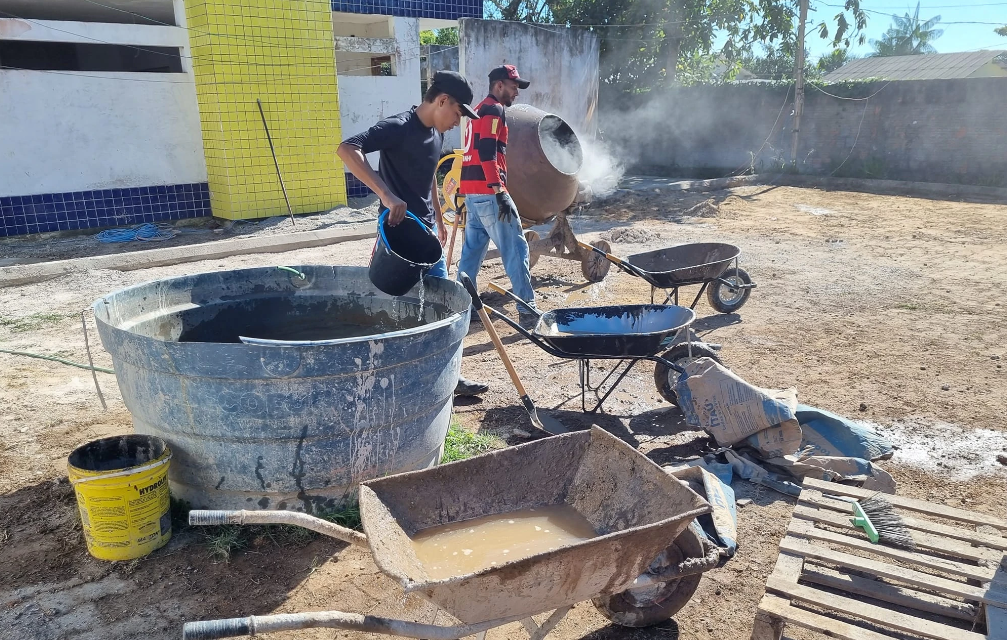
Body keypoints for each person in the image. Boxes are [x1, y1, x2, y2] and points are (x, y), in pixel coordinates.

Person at [337, 70, 490, 397]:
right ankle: (384, 380)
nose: (457, 121)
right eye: (457, 113)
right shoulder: (399, 127)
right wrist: (386, 195)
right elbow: (348, 149)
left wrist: (441, 219)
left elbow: (429, 176)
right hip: (397, 236)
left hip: (428, 232)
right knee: (393, 305)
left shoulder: (436, 135)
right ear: (442, 101)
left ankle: (448, 376)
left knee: (444, 303)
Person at [457, 65, 538, 327]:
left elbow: (471, 152)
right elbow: (485, 151)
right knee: (515, 248)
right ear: (499, 85)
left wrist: (466, 190)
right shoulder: (494, 109)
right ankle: (528, 310)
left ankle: (462, 309)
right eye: (514, 87)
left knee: (471, 254)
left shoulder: (478, 109)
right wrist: (498, 190)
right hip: (489, 193)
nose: (516, 93)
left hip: (472, 193)